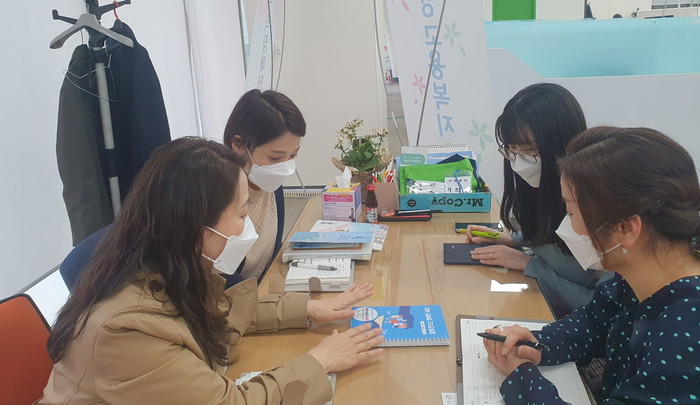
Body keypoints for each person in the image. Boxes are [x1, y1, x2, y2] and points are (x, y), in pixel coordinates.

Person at [40, 138, 383, 405]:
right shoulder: (125, 330)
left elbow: (214, 312)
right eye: (242, 214)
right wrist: (320, 359)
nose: (248, 227)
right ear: (197, 226)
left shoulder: (163, 263)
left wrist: (305, 308)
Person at [482, 126, 700, 403]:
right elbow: (596, 322)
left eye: (571, 211)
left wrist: (520, 376)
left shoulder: (687, 333)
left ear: (625, 229)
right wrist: (539, 344)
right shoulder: (640, 273)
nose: (567, 226)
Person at [465, 83, 604, 317]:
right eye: (512, 148)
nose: (519, 160)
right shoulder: (539, 188)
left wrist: (529, 265)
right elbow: (552, 239)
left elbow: (604, 308)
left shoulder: (597, 204)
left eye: (529, 149)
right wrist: (513, 239)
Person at [223, 89, 306, 282]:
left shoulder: (270, 184)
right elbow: (222, 280)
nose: (284, 167)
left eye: (293, 155)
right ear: (239, 145)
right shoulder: (221, 197)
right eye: (275, 158)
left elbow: (272, 255)